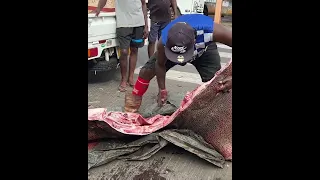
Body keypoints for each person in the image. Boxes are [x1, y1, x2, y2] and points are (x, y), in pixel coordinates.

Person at [124, 14, 232, 112]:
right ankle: (132, 108)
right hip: (173, 48)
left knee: (219, 84)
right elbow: (160, 64)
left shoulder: (212, 31)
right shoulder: (164, 41)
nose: (182, 61)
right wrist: (162, 89)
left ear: (194, 40)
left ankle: (217, 112)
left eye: (183, 57)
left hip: (204, 51)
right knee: (145, 71)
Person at [94, 0, 149, 92]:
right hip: (123, 24)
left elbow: (143, 4)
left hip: (138, 23)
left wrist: (146, 25)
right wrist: (98, 9)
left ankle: (130, 77)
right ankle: (123, 79)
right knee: (123, 52)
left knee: (134, 50)